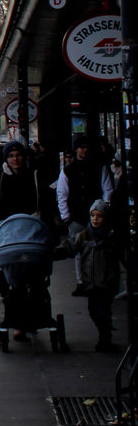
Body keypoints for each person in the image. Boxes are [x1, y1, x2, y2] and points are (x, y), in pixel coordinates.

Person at [55, 199, 123, 351]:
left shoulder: (112, 238)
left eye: (99, 216)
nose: (95, 219)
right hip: (90, 282)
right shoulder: (85, 236)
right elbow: (69, 246)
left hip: (107, 281)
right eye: (93, 215)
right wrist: (54, 252)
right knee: (93, 311)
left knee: (103, 310)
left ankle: (105, 338)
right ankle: (104, 334)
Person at [56, 136, 107, 295]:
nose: (83, 150)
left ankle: (93, 281)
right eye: (81, 147)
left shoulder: (98, 167)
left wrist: (104, 209)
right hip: (77, 216)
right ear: (76, 149)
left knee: (97, 250)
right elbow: (62, 193)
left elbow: (108, 190)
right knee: (81, 251)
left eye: (86, 147)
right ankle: (82, 281)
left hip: (91, 216)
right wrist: (67, 217)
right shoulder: (69, 170)